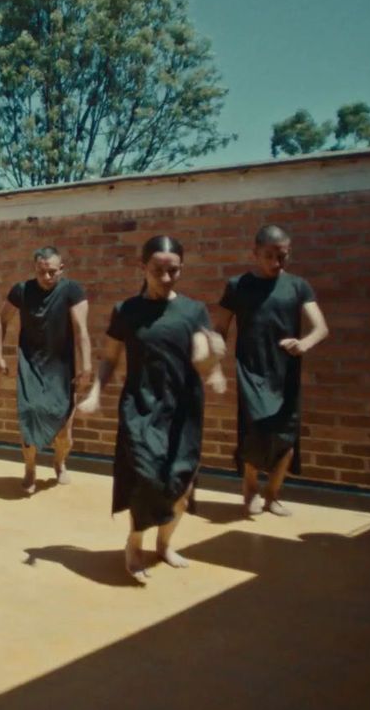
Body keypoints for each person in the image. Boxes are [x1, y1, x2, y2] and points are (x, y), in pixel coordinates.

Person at [78, 236, 227, 579]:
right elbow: (110, 358)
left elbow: (204, 355)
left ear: (180, 269)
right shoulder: (127, 311)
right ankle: (134, 542)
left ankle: (164, 543)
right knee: (147, 480)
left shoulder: (193, 311)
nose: (165, 277)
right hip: (141, 408)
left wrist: (215, 368)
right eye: (158, 270)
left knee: (182, 487)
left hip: (184, 411)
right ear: (142, 267)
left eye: (172, 270)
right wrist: (96, 392)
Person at [215, 225, 330, 517]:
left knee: (286, 437)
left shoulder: (298, 286)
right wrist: (214, 358)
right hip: (251, 371)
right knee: (256, 431)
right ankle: (250, 488)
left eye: (282, 256)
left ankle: (272, 495)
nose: (276, 263)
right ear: (255, 253)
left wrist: (304, 343)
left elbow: (321, 328)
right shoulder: (238, 285)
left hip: (285, 373)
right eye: (268, 256)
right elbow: (220, 328)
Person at [0, 246, 92, 493]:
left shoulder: (72, 291)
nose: (47, 277)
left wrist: (86, 366)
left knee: (63, 432)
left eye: (52, 272)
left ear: (61, 269)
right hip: (30, 365)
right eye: (41, 272)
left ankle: (59, 462)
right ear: (35, 270)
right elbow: (1, 320)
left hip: (61, 366)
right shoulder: (22, 291)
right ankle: (30, 467)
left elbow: (81, 330)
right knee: (29, 417)